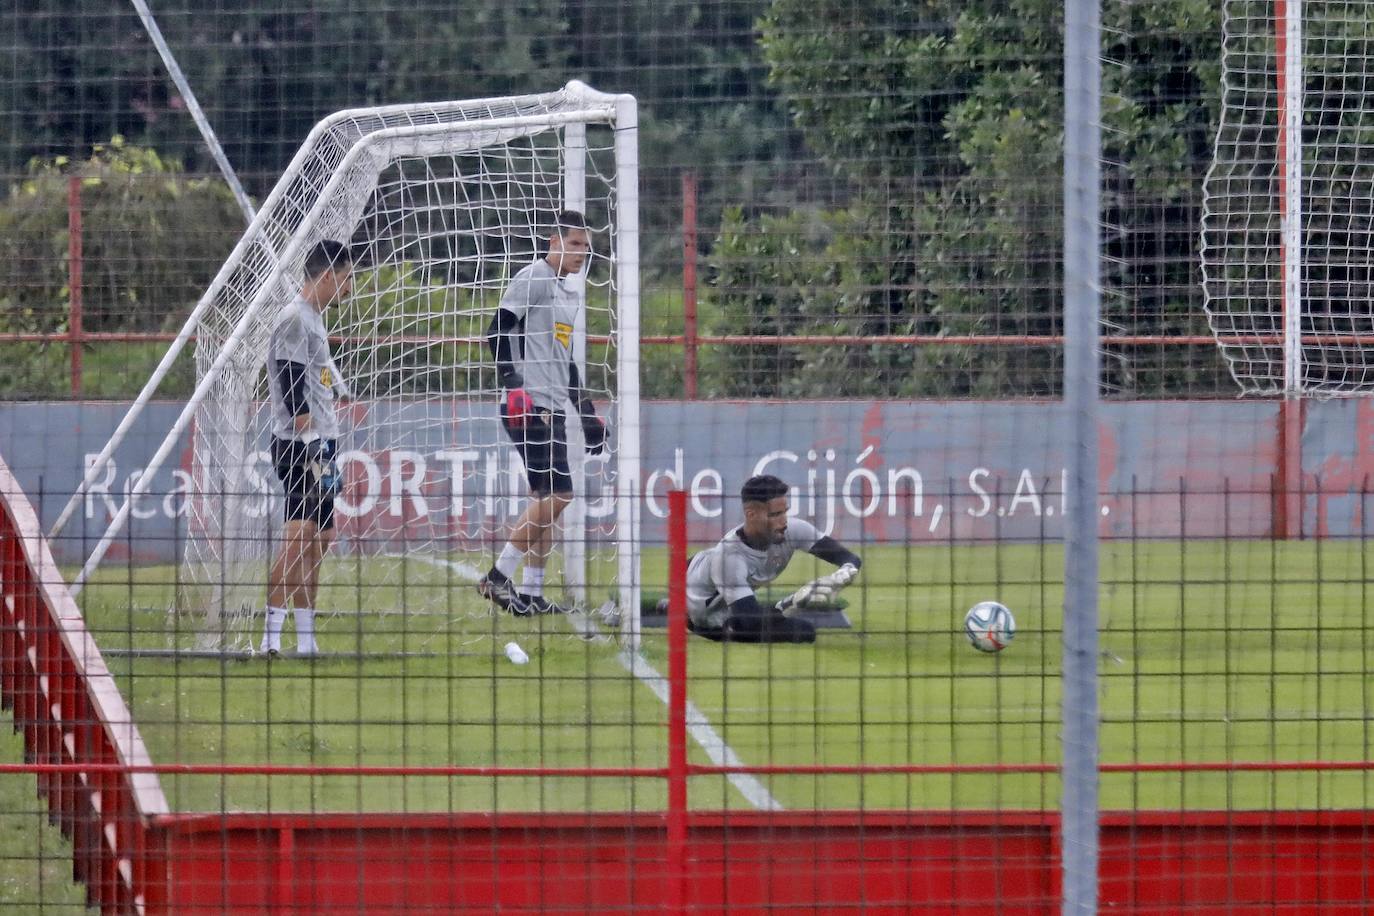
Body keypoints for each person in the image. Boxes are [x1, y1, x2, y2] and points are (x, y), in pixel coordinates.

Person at [479, 210, 608, 614]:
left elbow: (564, 360)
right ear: (553, 241)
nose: (581, 253)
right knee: (560, 495)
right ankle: (498, 578)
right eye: (573, 244)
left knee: (544, 499)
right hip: (529, 406)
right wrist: (513, 385)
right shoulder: (534, 276)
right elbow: (496, 330)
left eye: (585, 246)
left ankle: (532, 594)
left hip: (550, 406)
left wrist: (586, 414)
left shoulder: (566, 293)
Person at [261, 239, 354, 656]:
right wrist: (314, 443)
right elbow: (290, 386)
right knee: (299, 540)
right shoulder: (295, 319)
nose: (349, 287)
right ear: (329, 275)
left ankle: (306, 640)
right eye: (347, 278)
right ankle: (270, 640)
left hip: (322, 445)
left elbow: (315, 380)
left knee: (321, 539)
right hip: (302, 447)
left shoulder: (313, 319)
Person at [685, 474, 862, 644]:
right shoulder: (729, 558)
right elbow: (750, 623)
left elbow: (849, 557)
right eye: (775, 514)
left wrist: (844, 573)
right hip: (703, 615)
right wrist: (791, 604)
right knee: (803, 632)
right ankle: (671, 607)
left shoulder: (791, 529)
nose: (784, 521)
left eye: (784, 512)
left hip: (705, 569)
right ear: (751, 515)